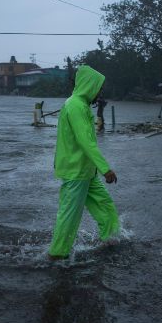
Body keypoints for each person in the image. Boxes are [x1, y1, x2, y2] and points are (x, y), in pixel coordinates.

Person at [48, 65, 119, 260]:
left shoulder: (81, 105)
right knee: (69, 217)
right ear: (90, 86)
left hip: (87, 171)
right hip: (76, 172)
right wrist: (106, 169)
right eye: (98, 88)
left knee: (105, 204)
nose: (100, 92)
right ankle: (57, 255)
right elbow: (85, 142)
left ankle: (111, 238)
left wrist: (98, 169)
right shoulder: (75, 106)